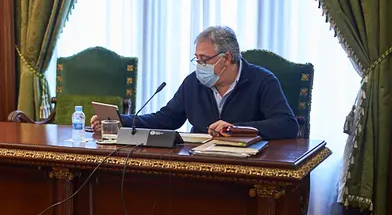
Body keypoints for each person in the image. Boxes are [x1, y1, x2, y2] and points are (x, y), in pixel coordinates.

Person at [90, 26, 299, 140]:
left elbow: (288, 125)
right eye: (196, 59)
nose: (199, 65)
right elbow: (167, 119)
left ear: (226, 58)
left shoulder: (262, 81)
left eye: (204, 59)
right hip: (199, 163)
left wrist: (236, 129)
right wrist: (122, 121)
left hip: (249, 167)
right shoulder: (194, 83)